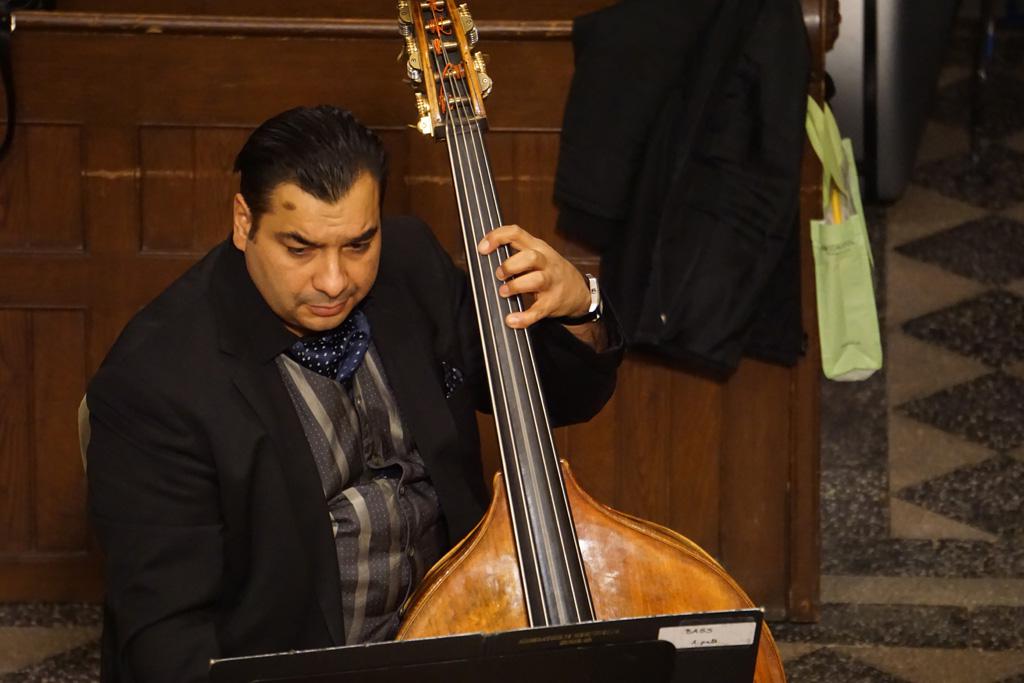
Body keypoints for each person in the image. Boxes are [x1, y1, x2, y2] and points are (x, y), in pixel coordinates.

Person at [84, 105, 622, 683]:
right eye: (300, 249)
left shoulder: (409, 263)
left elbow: (556, 400)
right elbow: (167, 638)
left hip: (456, 630)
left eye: (359, 245)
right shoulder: (157, 379)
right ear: (244, 223)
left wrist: (581, 307)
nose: (335, 281)